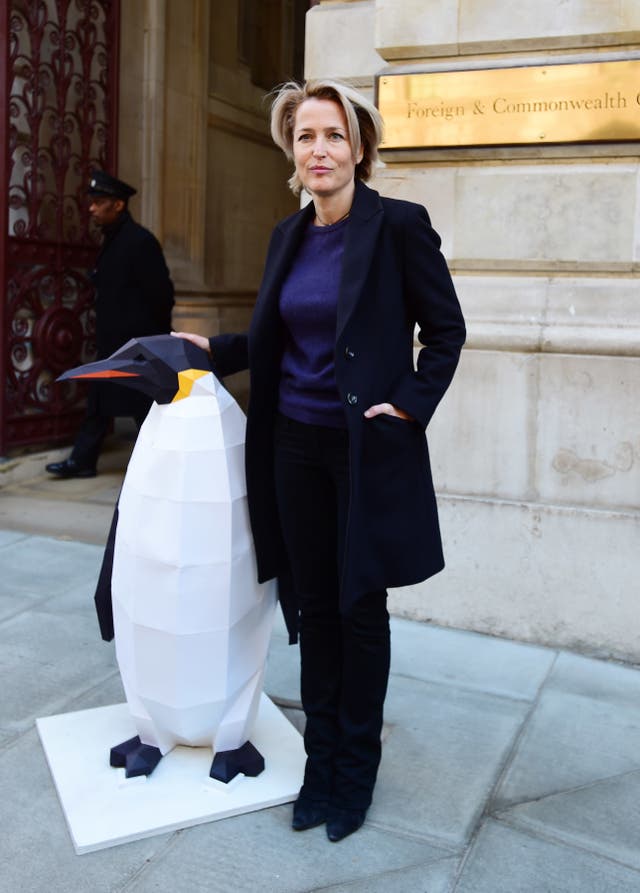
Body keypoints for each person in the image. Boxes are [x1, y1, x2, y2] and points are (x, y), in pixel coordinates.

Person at [174, 79, 466, 842]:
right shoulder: (287, 236)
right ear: (292, 154)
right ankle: (320, 765)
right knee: (310, 608)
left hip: (363, 450)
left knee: (359, 608)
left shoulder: (398, 226)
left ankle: (354, 774)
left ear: (359, 147)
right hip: (292, 447)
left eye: (334, 135)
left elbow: (445, 330)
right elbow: (279, 340)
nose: (320, 150)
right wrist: (218, 349)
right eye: (306, 137)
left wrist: (408, 405)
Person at [46, 171, 174, 478]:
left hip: (135, 345)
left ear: (118, 205)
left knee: (145, 408)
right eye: (92, 202)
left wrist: (149, 340)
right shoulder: (112, 240)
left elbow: (162, 295)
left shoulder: (140, 242)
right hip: (111, 343)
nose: (91, 208)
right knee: (99, 402)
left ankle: (167, 467)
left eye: (99, 202)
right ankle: (83, 461)